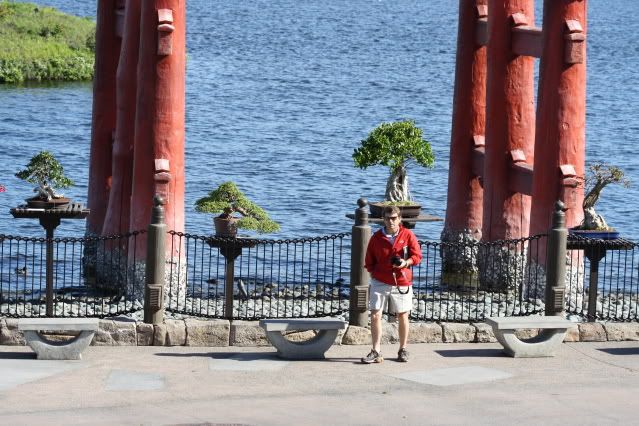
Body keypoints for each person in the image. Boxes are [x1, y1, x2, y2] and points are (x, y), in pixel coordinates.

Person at [361, 205, 422, 364]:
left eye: (394, 218)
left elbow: (417, 256)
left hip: (402, 281)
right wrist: (376, 274)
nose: (391, 221)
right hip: (380, 281)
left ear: (399, 219)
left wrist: (405, 263)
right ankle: (375, 350)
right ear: (383, 219)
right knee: (375, 315)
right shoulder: (376, 238)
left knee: (403, 315)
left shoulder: (408, 235)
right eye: (388, 218)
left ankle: (403, 349)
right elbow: (368, 261)